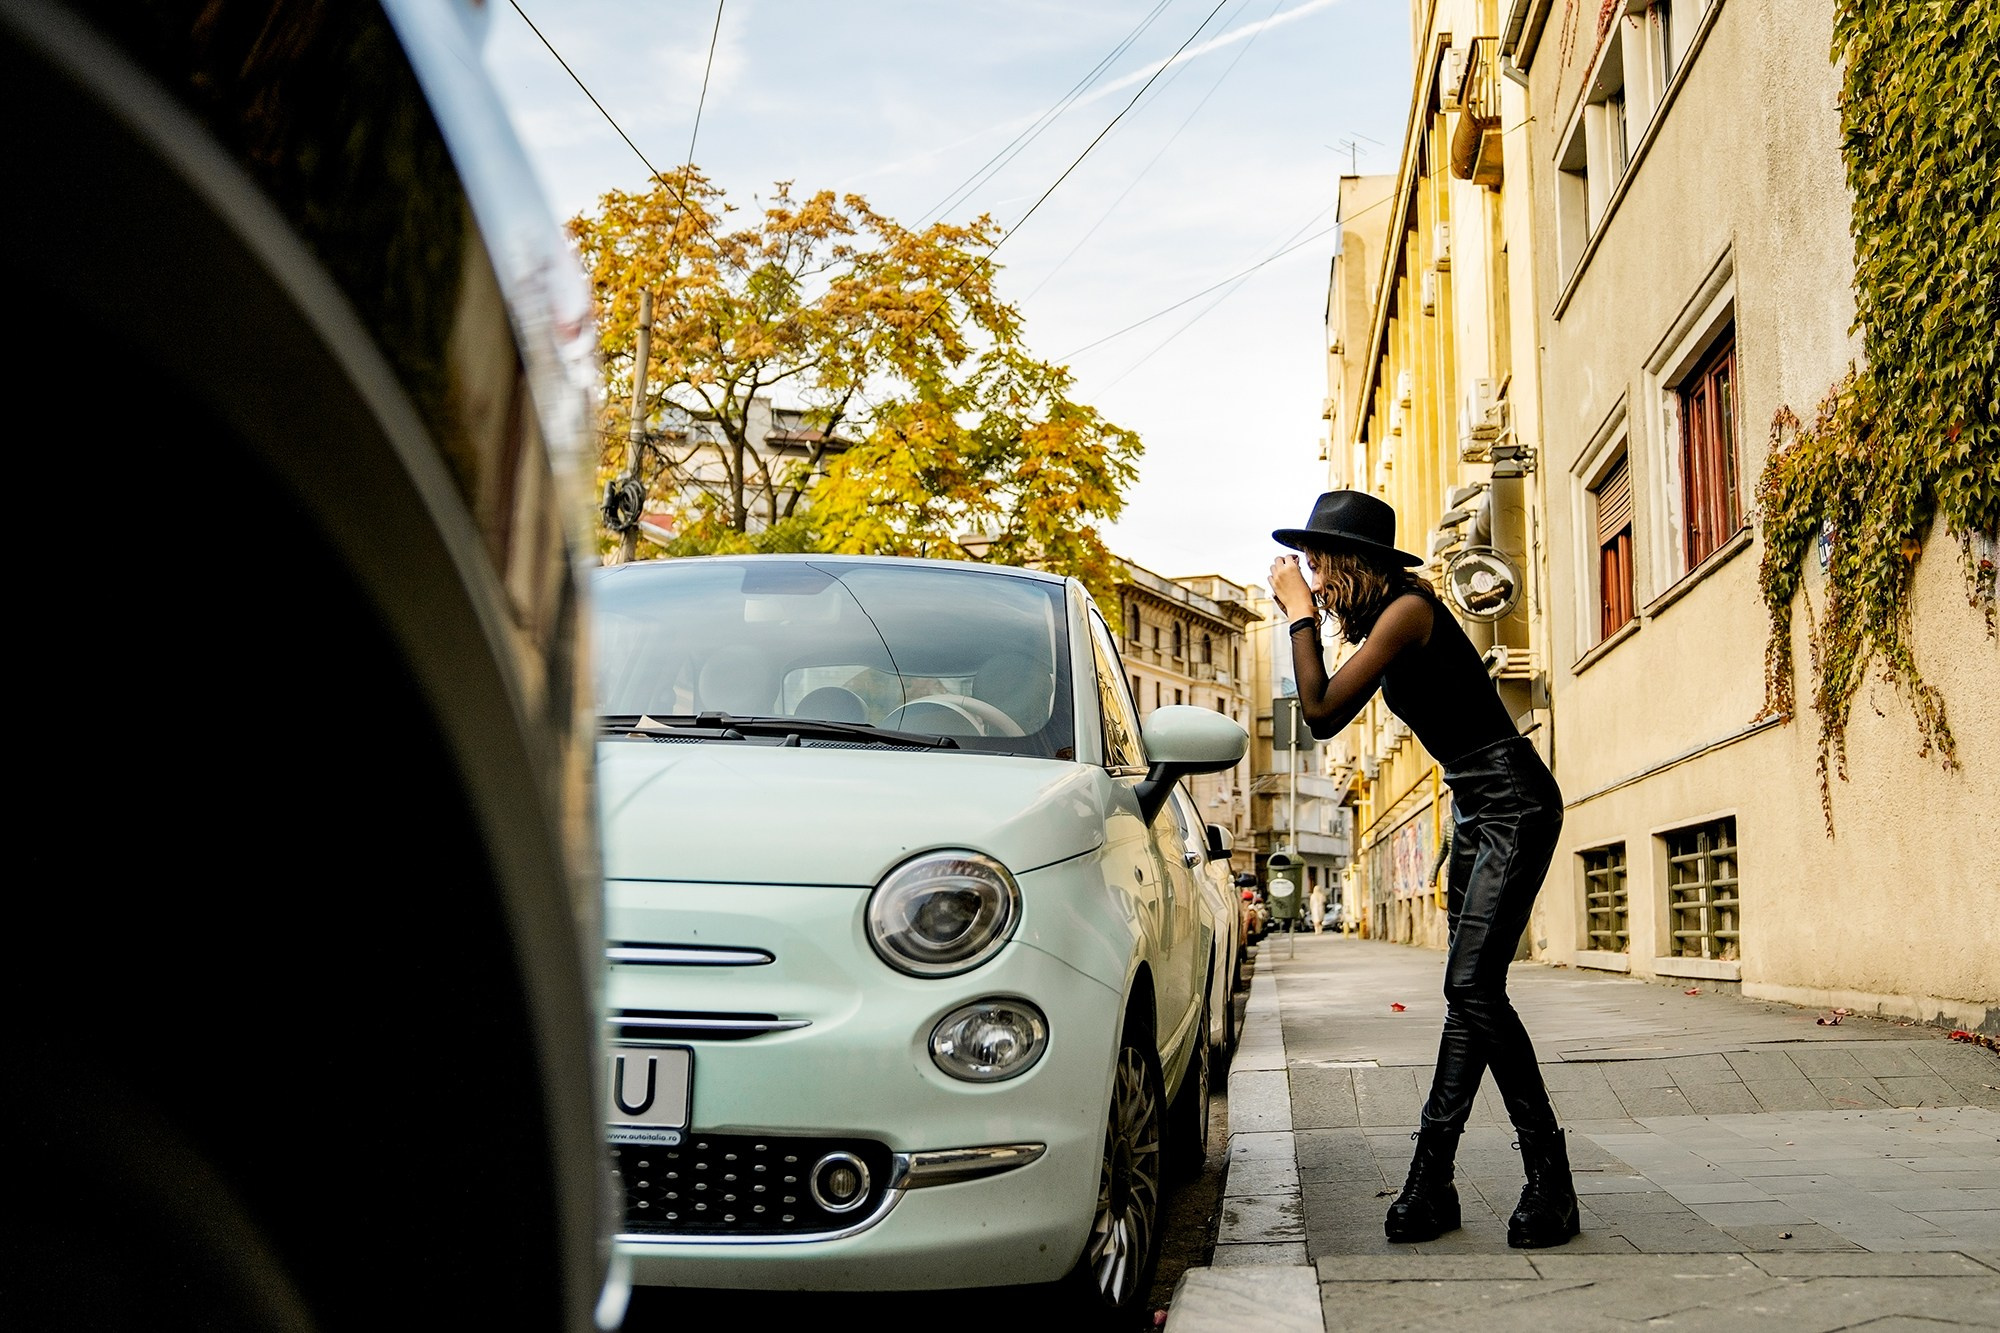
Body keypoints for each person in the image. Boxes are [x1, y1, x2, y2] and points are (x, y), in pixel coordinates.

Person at [1268, 490, 1576, 1250]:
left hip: (1514, 799)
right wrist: (1309, 615)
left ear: (1353, 560)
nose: (1308, 569)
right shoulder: (1381, 622)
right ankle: (1432, 1182)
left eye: (1317, 557)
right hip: (1474, 805)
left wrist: (1298, 615)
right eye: (1303, 560)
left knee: (1470, 986)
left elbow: (1318, 710)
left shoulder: (1408, 610)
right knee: (1469, 996)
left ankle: (1550, 1181)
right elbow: (1323, 706)